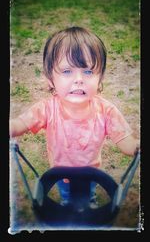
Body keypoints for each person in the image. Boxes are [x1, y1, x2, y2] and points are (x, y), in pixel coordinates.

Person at [10, 26, 139, 207]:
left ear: (99, 79)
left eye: (87, 71)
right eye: (67, 71)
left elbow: (126, 141)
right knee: (67, 199)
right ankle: (67, 202)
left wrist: (136, 147)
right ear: (50, 79)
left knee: (88, 196)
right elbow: (20, 124)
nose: (79, 79)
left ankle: (89, 201)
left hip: (91, 175)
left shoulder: (106, 111)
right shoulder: (47, 109)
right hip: (60, 175)